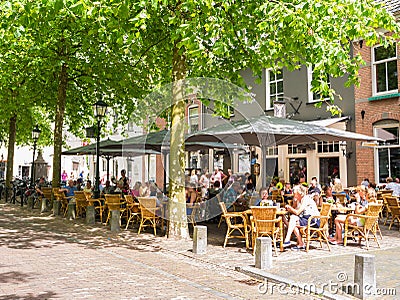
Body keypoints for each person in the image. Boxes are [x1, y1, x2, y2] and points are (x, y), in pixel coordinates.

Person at [283, 184, 320, 250]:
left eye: (295, 193)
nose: (294, 194)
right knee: (292, 221)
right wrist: (294, 204)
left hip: (312, 220)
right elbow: (295, 210)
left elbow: (297, 212)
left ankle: (288, 239)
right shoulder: (299, 200)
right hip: (305, 219)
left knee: (292, 220)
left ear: (300, 193)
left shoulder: (306, 199)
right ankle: (297, 242)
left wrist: (291, 208)